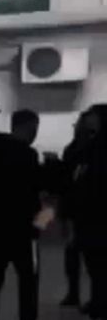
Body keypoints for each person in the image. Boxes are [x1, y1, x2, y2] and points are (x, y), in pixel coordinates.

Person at [0, 109, 49, 320]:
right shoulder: (28, 155)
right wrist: (40, 225)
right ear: (28, 127)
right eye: (34, 129)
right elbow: (35, 192)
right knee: (28, 280)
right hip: (23, 229)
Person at [72, 105, 107, 320]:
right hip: (92, 221)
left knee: (103, 276)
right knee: (98, 275)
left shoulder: (99, 149)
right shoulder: (93, 146)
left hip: (98, 221)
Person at [58, 110, 98, 308]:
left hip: (80, 210)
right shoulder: (81, 150)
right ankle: (87, 297)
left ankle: (79, 294)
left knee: (81, 256)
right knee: (84, 257)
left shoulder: (77, 150)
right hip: (80, 210)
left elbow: (65, 183)